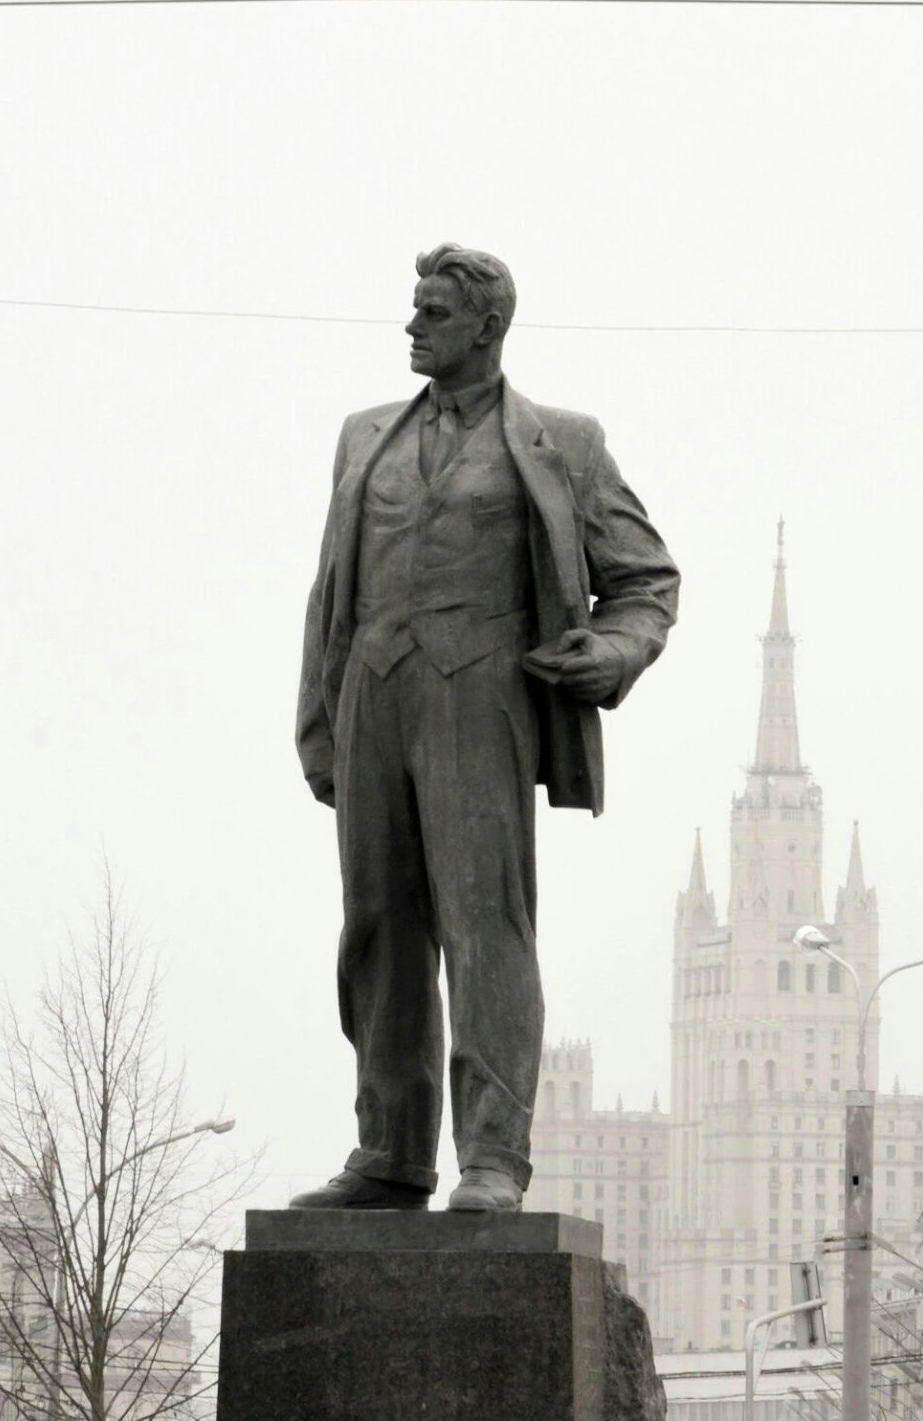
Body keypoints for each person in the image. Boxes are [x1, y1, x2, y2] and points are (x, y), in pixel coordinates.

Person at [290, 245, 679, 1211]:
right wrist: (317, 721)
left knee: (483, 927)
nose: (412, 326)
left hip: (483, 700)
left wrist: (615, 652)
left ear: (487, 327)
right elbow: (328, 593)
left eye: (432, 312)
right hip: (374, 701)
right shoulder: (362, 437)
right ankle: (390, 1153)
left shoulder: (561, 442)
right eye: (414, 308)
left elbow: (645, 580)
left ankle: (495, 1157)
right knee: (377, 929)